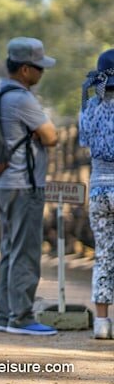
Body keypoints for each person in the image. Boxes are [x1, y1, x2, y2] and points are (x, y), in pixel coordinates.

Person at [0, 37, 59, 336]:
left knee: (9, 248)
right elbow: (52, 136)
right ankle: (21, 317)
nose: (42, 74)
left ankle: (6, 314)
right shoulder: (22, 98)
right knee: (27, 251)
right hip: (24, 185)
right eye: (38, 68)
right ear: (24, 70)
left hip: (3, 184)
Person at [78, 48, 114, 339]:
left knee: (103, 254)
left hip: (99, 187)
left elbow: (84, 142)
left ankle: (102, 322)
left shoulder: (89, 107)